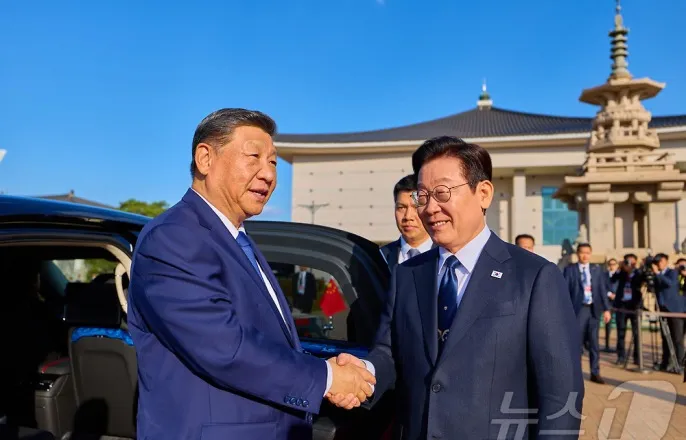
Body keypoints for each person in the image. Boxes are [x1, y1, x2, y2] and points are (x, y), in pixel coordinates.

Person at [127, 108, 375, 440]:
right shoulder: (174, 237)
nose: (268, 174)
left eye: (273, 162)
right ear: (205, 158)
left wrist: (328, 368)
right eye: (253, 157)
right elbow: (223, 346)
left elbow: (268, 340)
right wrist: (326, 378)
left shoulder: (236, 240)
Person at [328, 136, 583, 439]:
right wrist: (365, 372)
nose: (429, 208)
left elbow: (560, 392)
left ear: (483, 193)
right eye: (423, 196)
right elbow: (390, 351)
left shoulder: (534, 276)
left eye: (442, 193)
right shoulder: (407, 275)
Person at [564, 243, 611, 384]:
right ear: (577, 254)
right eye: (582, 252)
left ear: (590, 254)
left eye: (587, 253)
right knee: (576, 343)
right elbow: (564, 291)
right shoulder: (570, 270)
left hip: (594, 310)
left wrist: (607, 309)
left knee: (594, 343)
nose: (585, 255)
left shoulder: (597, 270)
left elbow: (602, 290)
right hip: (578, 311)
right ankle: (576, 374)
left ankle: (595, 372)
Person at [380, 174, 432, 271]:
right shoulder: (380, 257)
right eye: (401, 208)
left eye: (416, 207)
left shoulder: (447, 255)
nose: (408, 216)